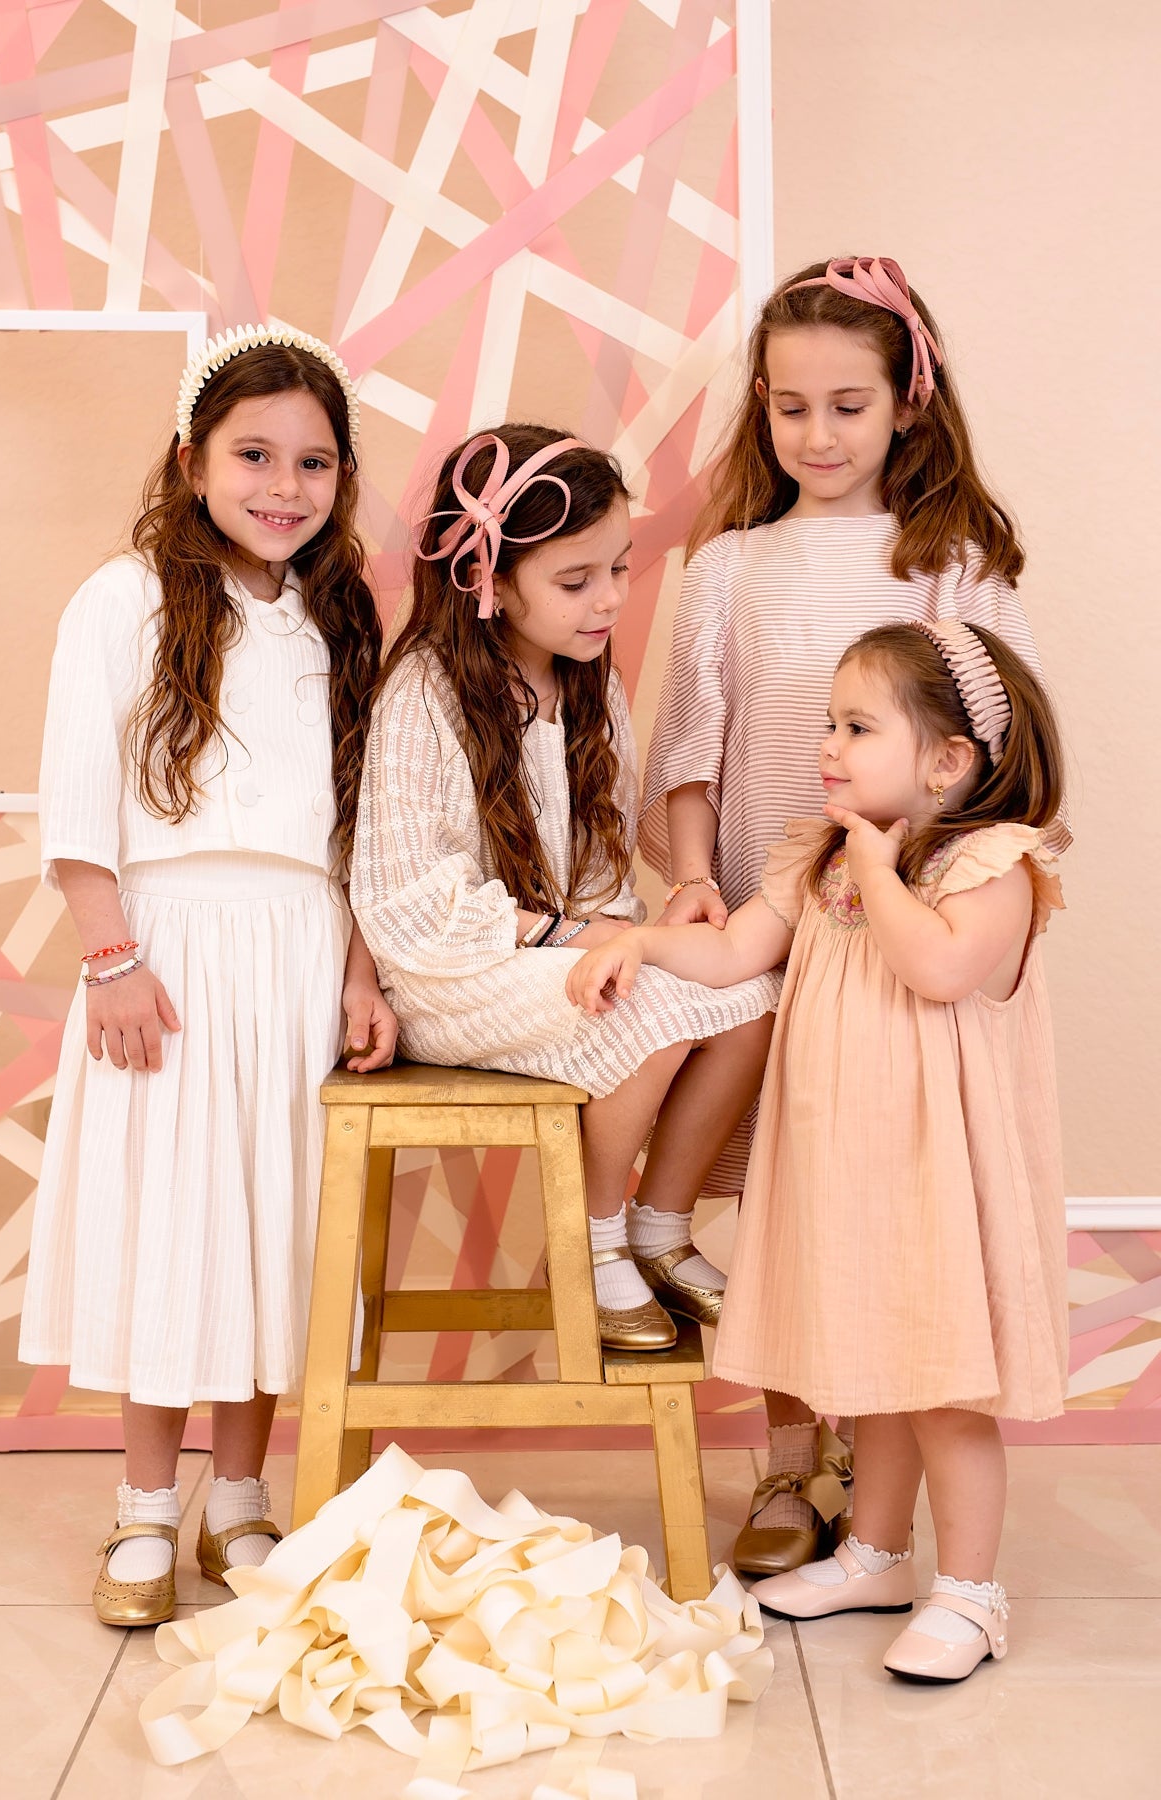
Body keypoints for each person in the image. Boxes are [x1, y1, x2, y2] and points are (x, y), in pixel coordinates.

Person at [639, 255, 1069, 1576]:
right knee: (786, 1192)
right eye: (789, 408)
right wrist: (696, 875)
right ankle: (793, 1458)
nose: (816, 435)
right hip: (777, 906)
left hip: (904, 919)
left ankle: (896, 1507)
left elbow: (994, 743)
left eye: (847, 406)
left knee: (891, 1199)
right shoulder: (731, 568)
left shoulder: (951, 568)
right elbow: (690, 746)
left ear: (908, 405)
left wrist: (936, 886)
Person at [568, 619, 1068, 1683]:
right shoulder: (824, 855)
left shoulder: (993, 867)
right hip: (847, 1168)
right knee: (874, 1371)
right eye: (828, 724)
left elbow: (938, 969)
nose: (828, 747)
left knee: (943, 1387)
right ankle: (876, 1554)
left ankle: (971, 1593)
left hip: (938, 1176)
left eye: (857, 727)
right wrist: (641, 939)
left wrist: (881, 868)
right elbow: (732, 951)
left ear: (948, 760)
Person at [18, 326, 396, 1629]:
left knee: (271, 1219)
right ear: (190, 461)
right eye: (254, 455)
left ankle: (239, 1491)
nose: (284, 486)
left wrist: (359, 970)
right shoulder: (121, 600)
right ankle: (143, 1504)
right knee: (170, 1217)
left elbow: (363, 823)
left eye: (314, 463)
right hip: (166, 951)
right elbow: (79, 793)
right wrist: (110, 955)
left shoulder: (341, 617)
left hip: (298, 950)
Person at [350, 424, 780, 1353]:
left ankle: (661, 1226)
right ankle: (595, 1235)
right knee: (643, 1007)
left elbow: (602, 873)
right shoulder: (424, 690)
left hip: (557, 956)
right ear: (489, 579)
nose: (612, 598)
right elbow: (408, 905)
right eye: (576, 581)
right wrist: (579, 938)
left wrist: (634, 924)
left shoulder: (590, 687)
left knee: (753, 1001)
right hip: (450, 976)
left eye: (618, 568)